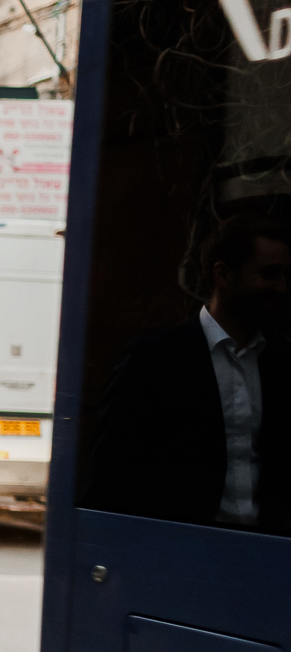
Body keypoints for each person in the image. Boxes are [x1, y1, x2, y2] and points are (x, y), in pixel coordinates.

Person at [82, 211, 291, 531]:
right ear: (224, 274)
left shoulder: (280, 361)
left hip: (265, 556)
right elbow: (111, 473)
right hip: (178, 553)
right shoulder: (153, 360)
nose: (282, 287)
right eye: (269, 274)